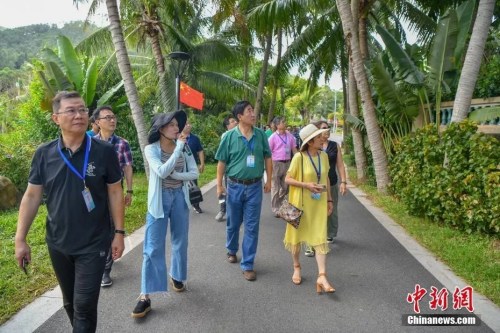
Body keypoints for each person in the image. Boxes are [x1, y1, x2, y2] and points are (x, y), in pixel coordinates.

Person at [15, 91, 125, 332]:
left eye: (83, 110)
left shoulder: (103, 151)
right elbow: (32, 195)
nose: (79, 115)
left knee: (84, 305)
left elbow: (115, 192)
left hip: (94, 241)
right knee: (70, 304)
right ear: (56, 118)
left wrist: (119, 232)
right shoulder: (44, 154)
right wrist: (20, 239)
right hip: (58, 242)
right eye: (71, 111)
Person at [131, 110, 199, 319]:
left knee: (181, 241)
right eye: (170, 125)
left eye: (176, 124)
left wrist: (177, 173)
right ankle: (145, 296)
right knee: (152, 248)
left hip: (179, 196)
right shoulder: (151, 149)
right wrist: (179, 146)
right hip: (159, 201)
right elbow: (160, 171)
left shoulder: (185, 147)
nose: (176, 127)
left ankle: (177, 276)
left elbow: (195, 172)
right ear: (160, 129)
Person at [215, 101, 272, 281]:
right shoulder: (229, 137)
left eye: (253, 110)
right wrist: (219, 185)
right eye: (249, 111)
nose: (253, 113)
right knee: (233, 223)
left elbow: (268, 158)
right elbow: (222, 162)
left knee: (251, 226)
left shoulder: (261, 135)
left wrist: (269, 180)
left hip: (255, 186)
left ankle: (247, 264)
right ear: (240, 116)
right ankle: (231, 249)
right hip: (234, 186)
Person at [284, 123, 335, 293]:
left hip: (318, 203)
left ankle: (322, 275)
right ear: (311, 141)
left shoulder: (324, 156)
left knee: (320, 237)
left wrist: (329, 200)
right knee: (297, 239)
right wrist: (306, 185)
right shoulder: (299, 157)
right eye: (320, 137)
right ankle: (297, 266)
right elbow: (288, 179)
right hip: (300, 204)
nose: (323, 139)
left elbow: (326, 178)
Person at [93, 105, 134, 286]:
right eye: (107, 117)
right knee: (97, 228)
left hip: (114, 193)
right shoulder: (90, 144)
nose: (112, 120)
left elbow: (127, 167)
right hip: (94, 194)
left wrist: (130, 190)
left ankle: (105, 270)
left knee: (110, 228)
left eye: (113, 116)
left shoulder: (121, 143)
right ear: (97, 122)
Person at [316, 120, 347, 243]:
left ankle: (330, 233)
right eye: (324, 128)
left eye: (328, 127)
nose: (327, 129)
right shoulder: (314, 145)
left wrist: (343, 182)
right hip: (316, 183)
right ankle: (317, 232)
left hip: (332, 181)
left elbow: (340, 165)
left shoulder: (334, 145)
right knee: (316, 209)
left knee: (331, 208)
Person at [268, 116, 297, 217]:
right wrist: (270, 168)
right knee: (275, 188)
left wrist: (298, 160)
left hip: (287, 163)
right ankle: (276, 209)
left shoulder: (290, 136)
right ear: (277, 125)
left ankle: (279, 204)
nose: (285, 123)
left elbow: (294, 149)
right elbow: (268, 154)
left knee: (286, 187)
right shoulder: (272, 138)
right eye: (283, 122)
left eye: (285, 121)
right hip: (276, 163)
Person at [215, 114, 238, 222]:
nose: (236, 122)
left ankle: (233, 212)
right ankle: (222, 210)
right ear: (227, 126)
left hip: (237, 170)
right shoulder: (226, 136)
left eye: (235, 121)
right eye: (233, 121)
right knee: (223, 191)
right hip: (228, 170)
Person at [183, 121, 205, 214]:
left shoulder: (195, 138)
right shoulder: (177, 138)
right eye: (186, 123)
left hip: (192, 167)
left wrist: (202, 163)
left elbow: (200, 151)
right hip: (181, 168)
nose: (188, 125)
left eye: (189, 123)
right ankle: (183, 206)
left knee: (194, 187)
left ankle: (196, 205)